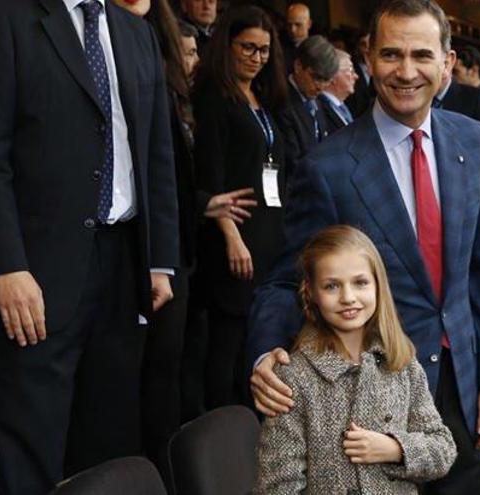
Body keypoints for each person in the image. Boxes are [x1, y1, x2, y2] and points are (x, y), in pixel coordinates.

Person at [248, 1, 480, 493]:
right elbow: (287, 279)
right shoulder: (327, 167)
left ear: (447, 63)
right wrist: (265, 351)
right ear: (368, 60)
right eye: (391, 55)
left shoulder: (473, 141)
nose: (406, 71)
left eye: (421, 55)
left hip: (460, 389)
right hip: (365, 402)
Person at [0, 0, 180, 492]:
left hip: (125, 264)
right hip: (37, 272)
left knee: (110, 439)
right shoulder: (5, 17)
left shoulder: (135, 31)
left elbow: (157, 153)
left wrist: (160, 259)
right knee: (34, 444)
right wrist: (8, 265)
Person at [109, 0, 260, 474]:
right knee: (152, 378)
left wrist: (197, 208)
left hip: (175, 249)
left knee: (171, 373)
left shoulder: (167, 79)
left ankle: (168, 469)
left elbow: (170, 170)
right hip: (144, 249)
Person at [254, 225, 457, 493]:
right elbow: (278, 486)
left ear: (377, 285)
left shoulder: (402, 362)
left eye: (360, 282)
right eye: (331, 286)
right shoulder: (293, 377)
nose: (348, 298)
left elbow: (443, 448)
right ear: (311, 292)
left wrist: (395, 448)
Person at [193, 5, 289, 410]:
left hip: (268, 233)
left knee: (258, 339)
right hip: (234, 238)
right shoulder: (214, 96)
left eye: (264, 51)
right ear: (227, 46)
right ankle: (221, 439)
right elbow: (209, 181)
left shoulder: (263, 98)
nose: (257, 57)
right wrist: (232, 238)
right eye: (248, 47)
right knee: (227, 346)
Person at [279, 34, 339, 175]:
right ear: (298, 66)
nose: (321, 86)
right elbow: (293, 162)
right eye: (317, 77)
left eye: (327, 80)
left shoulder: (318, 103)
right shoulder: (281, 102)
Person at [318, 49, 358, 136]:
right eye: (350, 71)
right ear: (332, 75)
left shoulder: (341, 106)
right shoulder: (319, 108)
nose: (356, 76)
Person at [282, 2, 312, 72]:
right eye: (289, 25)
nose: (292, 30)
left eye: (298, 25)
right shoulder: (279, 50)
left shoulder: (318, 49)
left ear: (309, 24)